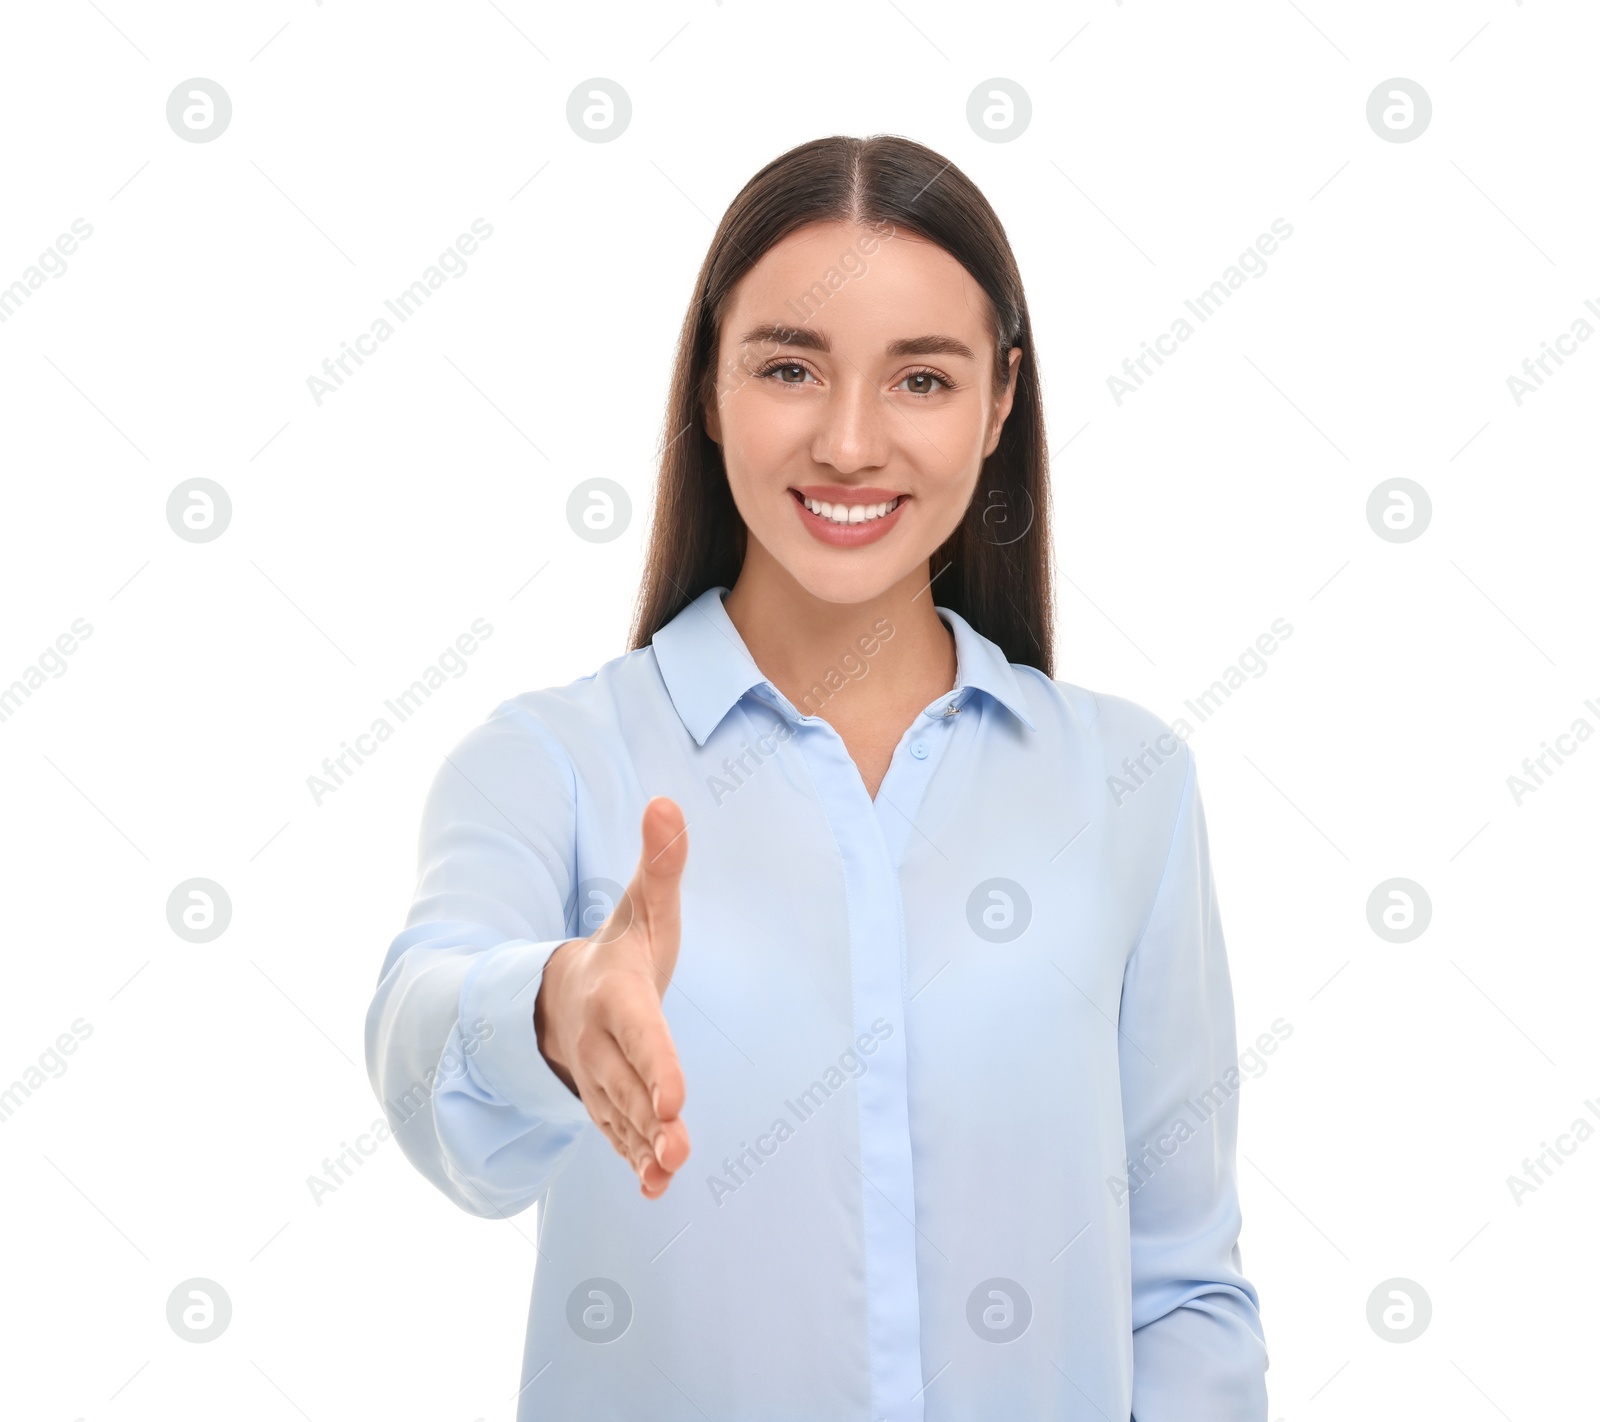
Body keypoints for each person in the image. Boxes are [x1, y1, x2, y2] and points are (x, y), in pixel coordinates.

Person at [366, 132, 1269, 1421]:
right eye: (789, 366)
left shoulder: (1130, 784)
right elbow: (422, 1046)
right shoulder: (551, 762)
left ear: (1000, 401)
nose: (849, 442)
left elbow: (1181, 1287)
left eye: (922, 379)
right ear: (710, 384)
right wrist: (559, 1007)